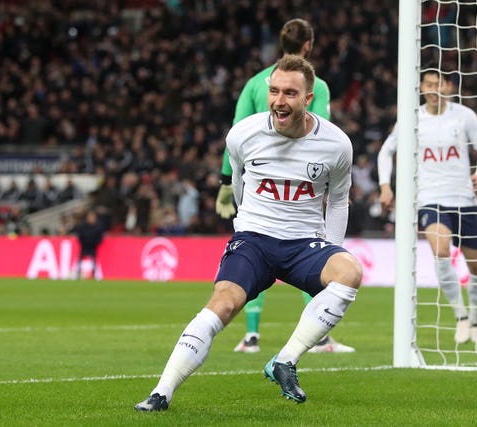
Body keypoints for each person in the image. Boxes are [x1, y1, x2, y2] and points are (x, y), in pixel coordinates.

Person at [135, 55, 362, 411]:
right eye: (274, 91)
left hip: (304, 243)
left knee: (350, 272)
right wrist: (245, 227)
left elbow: (337, 202)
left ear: (308, 98)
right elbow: (240, 185)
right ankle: (161, 392)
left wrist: (330, 249)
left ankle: (284, 360)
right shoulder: (243, 134)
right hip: (255, 239)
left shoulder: (336, 145)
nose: (279, 101)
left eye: (290, 93)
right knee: (222, 304)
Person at [216, 18, 354, 354]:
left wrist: (225, 181)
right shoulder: (316, 86)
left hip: (256, 178)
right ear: (308, 45)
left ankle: (251, 335)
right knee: (310, 248)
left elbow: (237, 131)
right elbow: (320, 131)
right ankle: (318, 336)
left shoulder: (254, 83)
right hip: (300, 179)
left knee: (253, 248)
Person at [377, 68, 477, 344]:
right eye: (427, 84)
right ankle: (461, 317)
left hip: (464, 200)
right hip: (430, 198)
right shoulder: (412, 118)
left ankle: (476, 320)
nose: (432, 89)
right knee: (440, 250)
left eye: (437, 84)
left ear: (448, 86)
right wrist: (385, 185)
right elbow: (386, 150)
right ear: (421, 87)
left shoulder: (464, 116)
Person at [71, 209, 104, 279]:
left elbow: (100, 238)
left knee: (94, 261)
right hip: (84, 246)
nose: (91, 218)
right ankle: (76, 275)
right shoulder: (83, 226)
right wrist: (85, 242)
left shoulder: (98, 227)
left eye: (92, 216)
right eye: (90, 216)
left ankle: (96, 276)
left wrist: (94, 243)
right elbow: (80, 237)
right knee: (79, 260)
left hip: (93, 247)